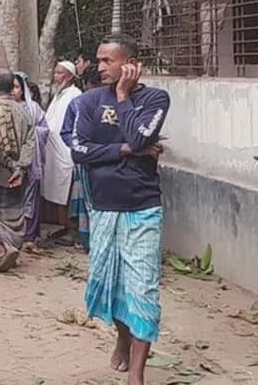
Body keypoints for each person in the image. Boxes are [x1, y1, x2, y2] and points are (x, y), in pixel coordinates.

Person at [71, 33, 170, 385]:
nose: (100, 67)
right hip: (103, 208)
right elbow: (79, 150)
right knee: (107, 285)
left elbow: (142, 136)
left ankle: (138, 374)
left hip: (142, 208)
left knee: (142, 288)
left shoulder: (155, 98)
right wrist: (127, 151)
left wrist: (125, 97)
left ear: (130, 64)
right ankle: (123, 336)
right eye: (98, 60)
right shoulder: (88, 102)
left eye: (107, 61)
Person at [0, 70, 36, 272]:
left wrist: (10, 164)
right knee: (16, 212)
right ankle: (14, 250)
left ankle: (8, 246)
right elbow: (31, 142)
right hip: (20, 173)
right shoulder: (24, 111)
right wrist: (21, 167)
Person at [63, 65, 102, 252]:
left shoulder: (114, 102)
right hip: (88, 162)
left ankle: (94, 243)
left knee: (91, 205)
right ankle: (91, 243)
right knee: (90, 204)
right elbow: (67, 132)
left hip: (97, 161)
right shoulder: (78, 103)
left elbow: (66, 133)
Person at [11, 72, 49, 250]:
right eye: (11, 86)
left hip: (31, 162)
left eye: (17, 87)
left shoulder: (33, 108)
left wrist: (31, 133)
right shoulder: (4, 107)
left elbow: (45, 130)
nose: (13, 90)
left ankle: (29, 237)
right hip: (10, 162)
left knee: (31, 198)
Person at [43, 61, 82, 211]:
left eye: (60, 73)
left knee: (63, 179)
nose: (56, 76)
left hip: (63, 146)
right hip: (51, 145)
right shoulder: (58, 94)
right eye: (55, 73)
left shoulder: (75, 94)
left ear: (70, 76)